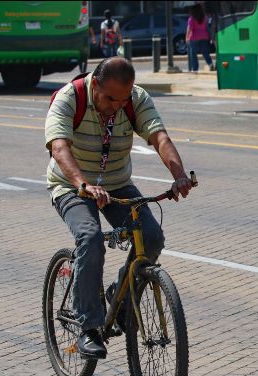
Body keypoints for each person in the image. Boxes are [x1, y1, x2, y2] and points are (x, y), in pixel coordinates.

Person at [45, 57, 194, 359]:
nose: (118, 106)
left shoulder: (135, 99)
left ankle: (120, 295)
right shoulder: (70, 98)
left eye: (123, 100)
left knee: (151, 236)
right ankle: (88, 326)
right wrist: (83, 184)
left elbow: (159, 137)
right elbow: (59, 147)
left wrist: (179, 175)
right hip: (73, 185)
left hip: (117, 184)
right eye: (111, 99)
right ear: (95, 86)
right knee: (90, 238)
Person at [186, 3, 214, 72]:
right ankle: (210, 64)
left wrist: (186, 37)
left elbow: (189, 29)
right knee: (205, 52)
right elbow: (207, 27)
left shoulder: (192, 18)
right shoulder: (204, 17)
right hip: (204, 36)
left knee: (193, 54)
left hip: (194, 37)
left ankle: (195, 68)